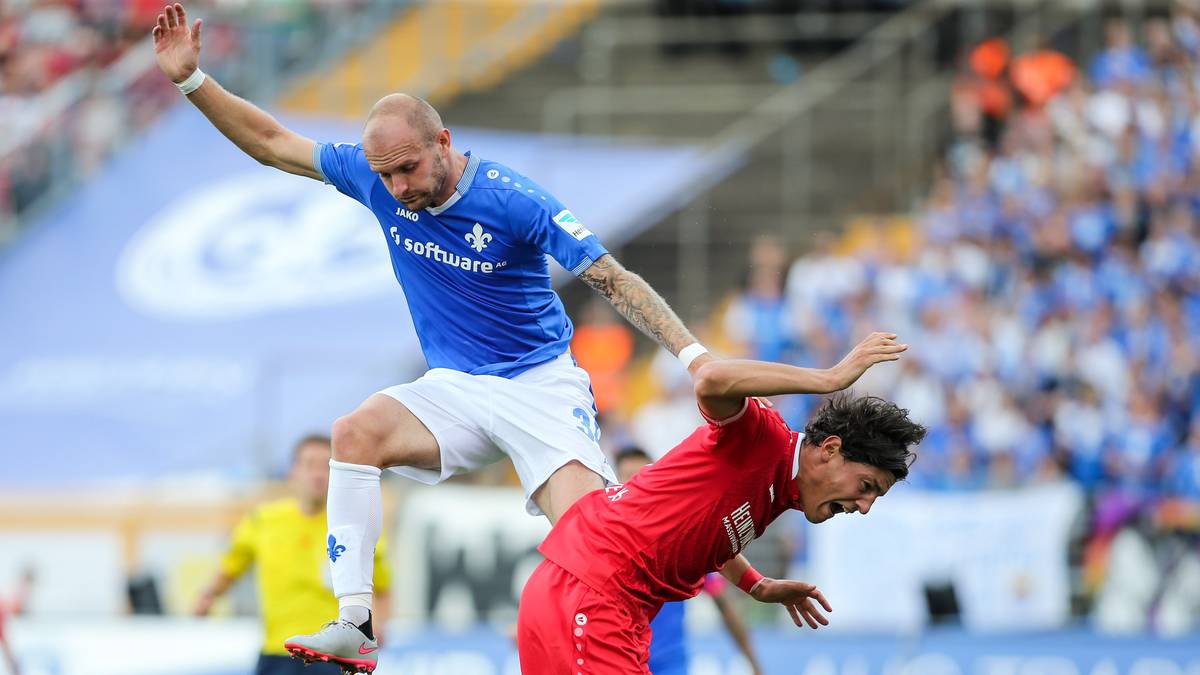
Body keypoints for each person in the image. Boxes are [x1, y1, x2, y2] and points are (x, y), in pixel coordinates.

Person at [152, 5, 707, 671]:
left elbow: (613, 279)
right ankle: (355, 621)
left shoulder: (513, 199)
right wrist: (192, 82)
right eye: (385, 175)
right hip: (456, 386)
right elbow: (271, 140)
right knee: (354, 432)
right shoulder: (373, 175)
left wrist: (693, 355)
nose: (397, 188)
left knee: (591, 547)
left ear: (443, 141)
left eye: (408, 169)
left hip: (539, 383)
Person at [518, 332, 927, 673]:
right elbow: (711, 380)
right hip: (598, 595)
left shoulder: (781, 490)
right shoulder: (765, 438)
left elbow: (703, 524)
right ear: (831, 449)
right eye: (867, 485)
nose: (865, 505)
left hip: (588, 596)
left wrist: (757, 585)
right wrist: (830, 378)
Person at [194, 435, 392, 675]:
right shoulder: (264, 520)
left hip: (330, 656)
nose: (318, 474)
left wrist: (378, 625)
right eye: (309, 465)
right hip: (277, 651)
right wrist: (208, 596)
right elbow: (232, 566)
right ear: (293, 472)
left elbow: (381, 585)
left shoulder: (352, 527)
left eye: (325, 466)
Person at [614, 447, 763, 675]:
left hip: (670, 667)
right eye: (628, 478)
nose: (636, 485)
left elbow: (722, 602)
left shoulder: (682, 544)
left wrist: (752, 662)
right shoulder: (607, 545)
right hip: (618, 664)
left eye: (642, 476)